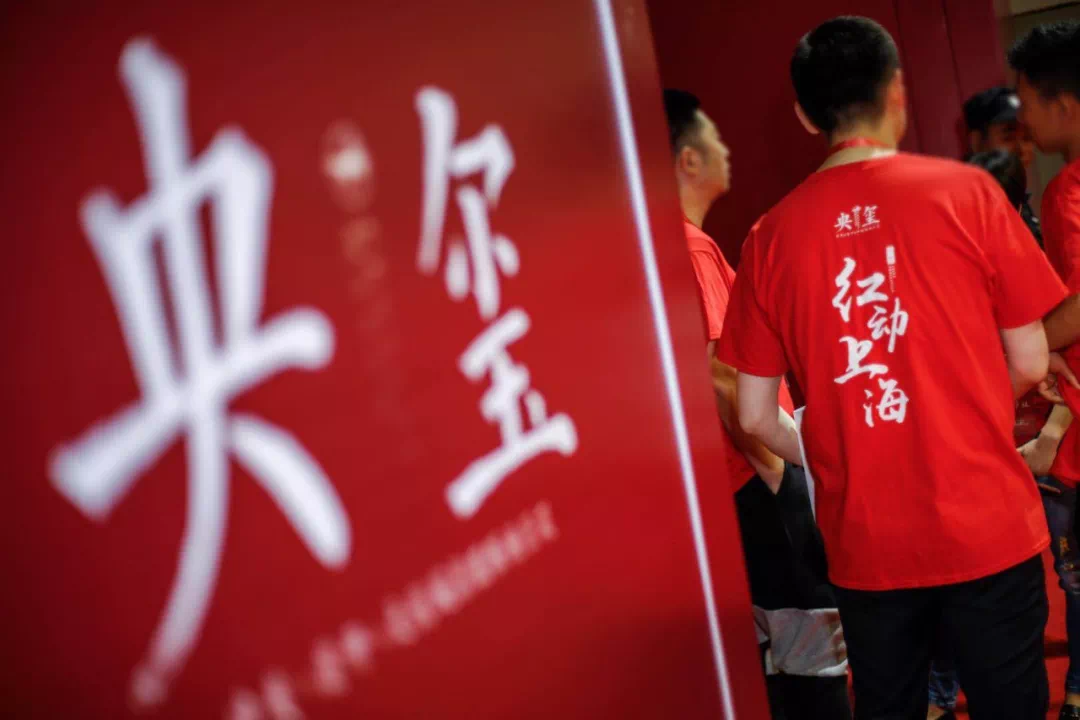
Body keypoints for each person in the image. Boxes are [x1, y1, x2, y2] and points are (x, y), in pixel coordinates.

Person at [716, 16, 1069, 718]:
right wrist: (964, 409)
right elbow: (1031, 360)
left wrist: (835, 441)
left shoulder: (769, 237)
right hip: (987, 523)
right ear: (898, 93)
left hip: (866, 543)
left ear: (805, 114)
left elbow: (754, 415)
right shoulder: (969, 193)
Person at [663, 88, 850, 720]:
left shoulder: (675, 246)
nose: (727, 150)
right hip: (755, 477)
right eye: (715, 137)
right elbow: (720, 376)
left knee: (778, 662)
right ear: (688, 158)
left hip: (736, 483)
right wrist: (782, 472)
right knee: (813, 661)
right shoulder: (689, 247)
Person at [1011, 20, 1080, 719]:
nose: (1024, 117)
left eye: (1027, 101)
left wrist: (1021, 354)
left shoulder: (1069, 191)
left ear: (1064, 105)